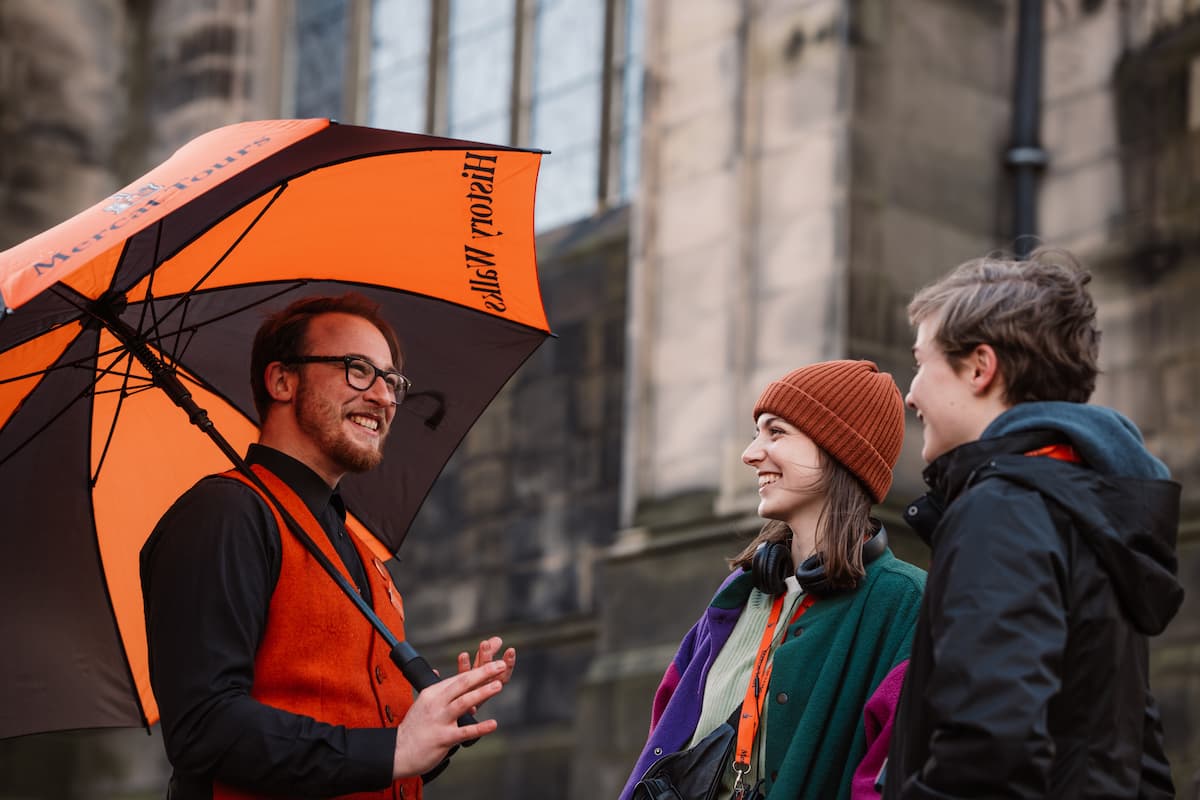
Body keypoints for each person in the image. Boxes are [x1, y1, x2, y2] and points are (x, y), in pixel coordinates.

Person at [141, 293, 516, 799]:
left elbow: (355, 740)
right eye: (358, 369)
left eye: (392, 381)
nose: (384, 398)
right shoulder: (225, 515)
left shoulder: (361, 551)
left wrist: (438, 725)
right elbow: (205, 728)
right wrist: (394, 750)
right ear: (282, 381)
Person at [884, 249, 1185, 798]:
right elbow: (1140, 761)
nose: (911, 393)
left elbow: (989, 751)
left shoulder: (1003, 509)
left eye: (920, 362)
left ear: (980, 367)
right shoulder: (1081, 506)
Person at [620, 360, 926, 800]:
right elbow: (667, 726)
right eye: (755, 433)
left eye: (776, 432)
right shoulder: (738, 594)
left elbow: (896, 773)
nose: (750, 453)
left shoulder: (905, 603)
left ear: (838, 449)